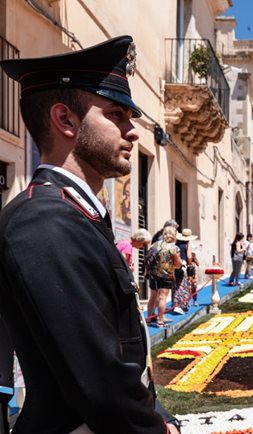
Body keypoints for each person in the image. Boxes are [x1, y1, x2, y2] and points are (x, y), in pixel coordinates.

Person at [0, 37, 180, 432]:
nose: (132, 131)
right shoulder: (43, 222)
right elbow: (100, 383)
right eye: (116, 114)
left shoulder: (74, 214)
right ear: (65, 120)